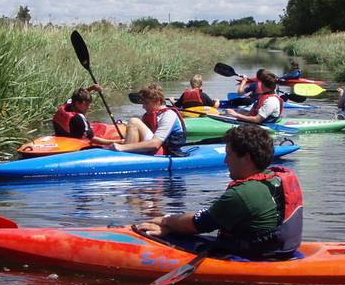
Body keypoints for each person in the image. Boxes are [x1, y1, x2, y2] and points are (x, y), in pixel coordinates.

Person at [136, 124, 303, 259]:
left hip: (255, 254)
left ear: (246, 158)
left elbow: (198, 224)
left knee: (171, 237)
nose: (225, 160)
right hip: (280, 249)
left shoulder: (242, 193)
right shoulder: (275, 179)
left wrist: (166, 221)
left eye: (229, 154)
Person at [109, 84, 187, 155]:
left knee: (134, 121)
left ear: (158, 101)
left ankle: (124, 157)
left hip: (165, 152)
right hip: (155, 149)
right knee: (133, 123)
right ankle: (126, 155)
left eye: (146, 103)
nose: (143, 106)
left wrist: (122, 147)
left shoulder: (169, 115)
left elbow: (155, 144)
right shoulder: (149, 115)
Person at [52, 85, 121, 145]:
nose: (89, 107)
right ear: (77, 103)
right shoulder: (78, 118)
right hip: (74, 143)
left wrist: (92, 88)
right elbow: (93, 139)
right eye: (86, 104)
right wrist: (118, 142)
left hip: (60, 136)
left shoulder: (68, 104)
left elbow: (76, 96)